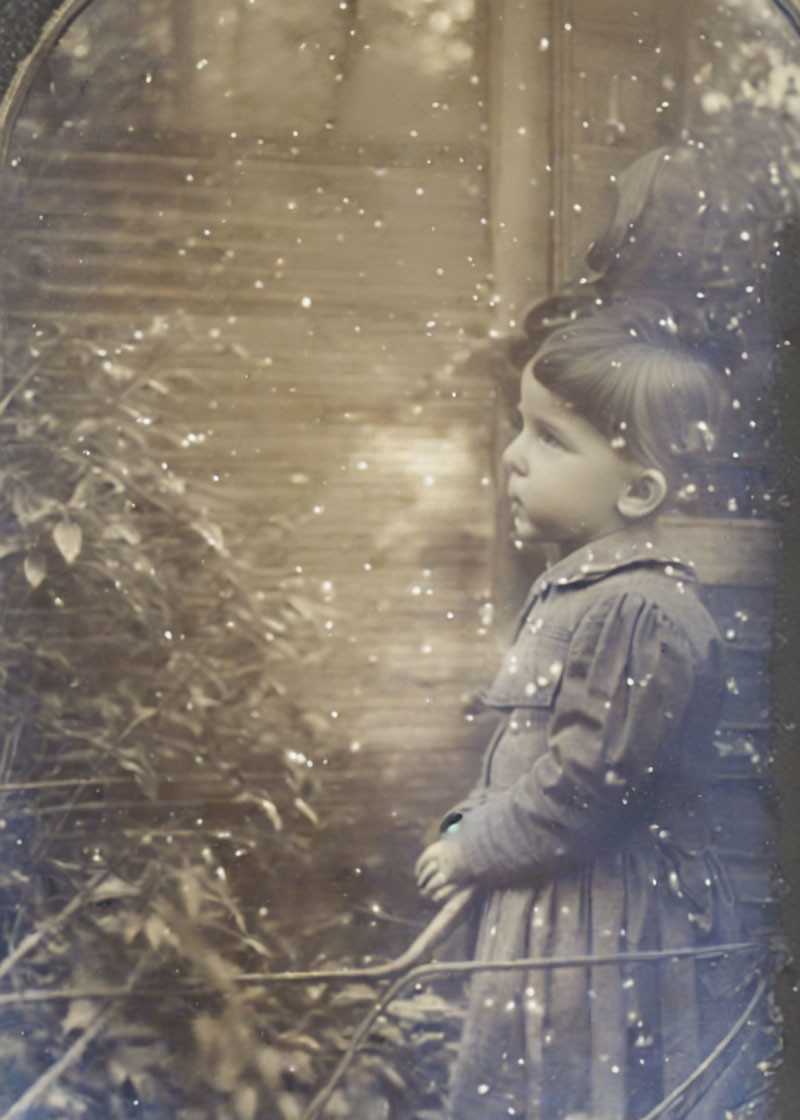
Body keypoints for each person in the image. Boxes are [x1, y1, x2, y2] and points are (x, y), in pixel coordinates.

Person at [415, 304, 780, 1119]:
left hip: (603, 921)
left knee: (588, 1090)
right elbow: (532, 754)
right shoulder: (580, 591)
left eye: (551, 439)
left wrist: (478, 846)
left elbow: (589, 783)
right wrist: (469, 820)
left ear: (641, 488)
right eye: (520, 428)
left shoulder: (640, 611)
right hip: (553, 904)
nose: (513, 457)